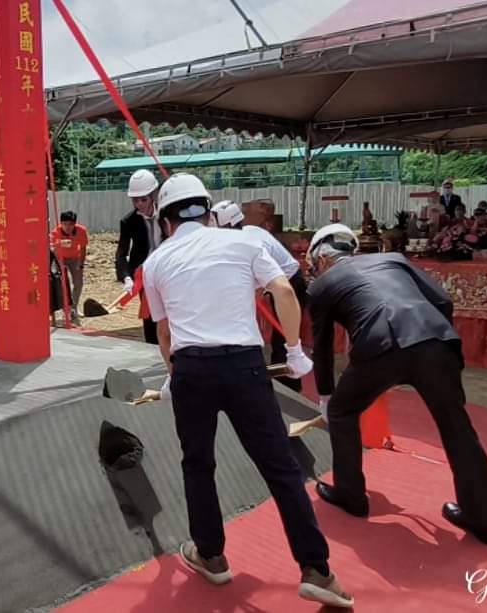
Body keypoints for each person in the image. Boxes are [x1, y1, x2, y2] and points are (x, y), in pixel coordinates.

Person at [143, 173, 353, 608]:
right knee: (279, 466)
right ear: (207, 209)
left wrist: (171, 372)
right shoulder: (242, 243)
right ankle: (317, 569)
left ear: (165, 220)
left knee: (198, 463)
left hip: (191, 370)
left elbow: (164, 332)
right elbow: (282, 289)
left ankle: (211, 555)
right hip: (243, 365)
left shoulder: (157, 262)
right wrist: (294, 350)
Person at [306, 224, 487, 546]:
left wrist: (326, 395)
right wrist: (435, 339)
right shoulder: (394, 259)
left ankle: (351, 495)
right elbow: (442, 300)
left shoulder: (322, 285)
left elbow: (323, 347)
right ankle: (483, 520)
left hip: (380, 347)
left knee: (342, 411)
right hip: (435, 341)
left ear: (321, 259)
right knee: (457, 428)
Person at [227, 199, 309, 392]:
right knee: (278, 338)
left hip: (289, 283)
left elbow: (262, 275)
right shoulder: (249, 233)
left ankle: (289, 387)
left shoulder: (249, 239)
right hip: (279, 283)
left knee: (285, 337)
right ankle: (283, 382)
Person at [116, 169, 163, 344]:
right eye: (136, 200)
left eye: (144, 199)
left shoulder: (168, 215)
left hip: (169, 270)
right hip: (144, 275)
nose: (140, 204)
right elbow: (121, 253)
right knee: (150, 315)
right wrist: (127, 277)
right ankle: (151, 348)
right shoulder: (128, 222)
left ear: (154, 195)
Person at [50, 210, 89, 324]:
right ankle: (65, 308)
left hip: (75, 258)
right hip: (60, 258)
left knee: (78, 283)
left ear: (74, 224)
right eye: (65, 224)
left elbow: (83, 248)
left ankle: (74, 307)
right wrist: (60, 265)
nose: (68, 227)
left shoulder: (81, 231)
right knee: (62, 284)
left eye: (70, 224)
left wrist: (81, 264)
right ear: (61, 223)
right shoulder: (55, 232)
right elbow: (53, 249)